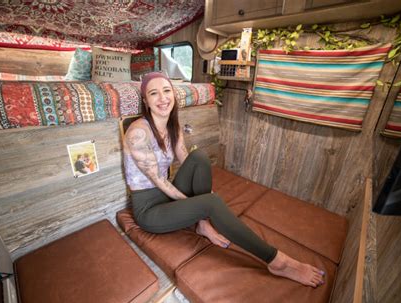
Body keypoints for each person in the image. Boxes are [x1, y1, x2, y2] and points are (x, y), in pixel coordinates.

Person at [123, 72, 325, 287]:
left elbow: (185, 157)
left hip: (166, 194)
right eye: (154, 93)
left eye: (166, 91)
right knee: (211, 203)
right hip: (150, 210)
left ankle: (202, 223)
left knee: (199, 156)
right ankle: (277, 261)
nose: (163, 98)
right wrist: (201, 205)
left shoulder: (172, 125)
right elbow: (160, 182)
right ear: (146, 101)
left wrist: (200, 200)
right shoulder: (138, 133)